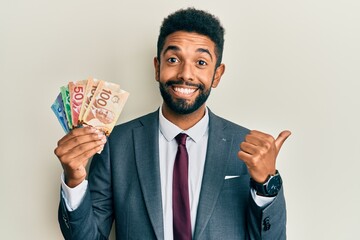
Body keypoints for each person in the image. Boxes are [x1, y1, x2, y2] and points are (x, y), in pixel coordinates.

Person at [54, 8, 291, 240]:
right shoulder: (117, 145)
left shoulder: (247, 148)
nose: (185, 74)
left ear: (217, 75)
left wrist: (266, 184)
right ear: (157, 67)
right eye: (174, 59)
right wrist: (74, 181)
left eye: (200, 62)